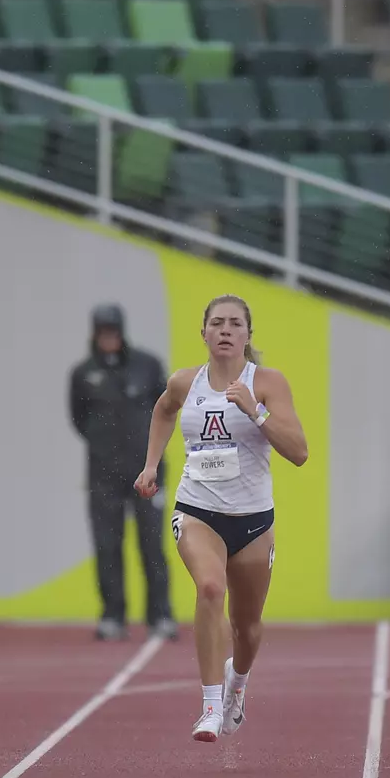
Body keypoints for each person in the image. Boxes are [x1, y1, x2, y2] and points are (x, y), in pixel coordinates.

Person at [135, 294, 308, 742]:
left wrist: (256, 409)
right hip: (197, 510)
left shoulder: (267, 382)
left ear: (248, 334)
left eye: (235, 323)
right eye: (218, 323)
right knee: (210, 588)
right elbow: (163, 411)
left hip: (252, 521)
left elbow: (299, 452)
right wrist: (152, 464)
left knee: (247, 628)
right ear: (205, 333)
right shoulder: (184, 382)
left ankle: (238, 683)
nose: (226, 330)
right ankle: (210, 705)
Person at [69, 303, 177, 642]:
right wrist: (106, 446)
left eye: (114, 332)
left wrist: (149, 457)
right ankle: (113, 615)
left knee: (152, 544)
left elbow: (166, 409)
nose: (109, 338)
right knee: (107, 545)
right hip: (103, 474)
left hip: (147, 471)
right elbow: (78, 418)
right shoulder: (83, 373)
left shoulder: (148, 366)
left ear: (122, 332)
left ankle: (160, 616)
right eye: (103, 332)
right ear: (95, 334)